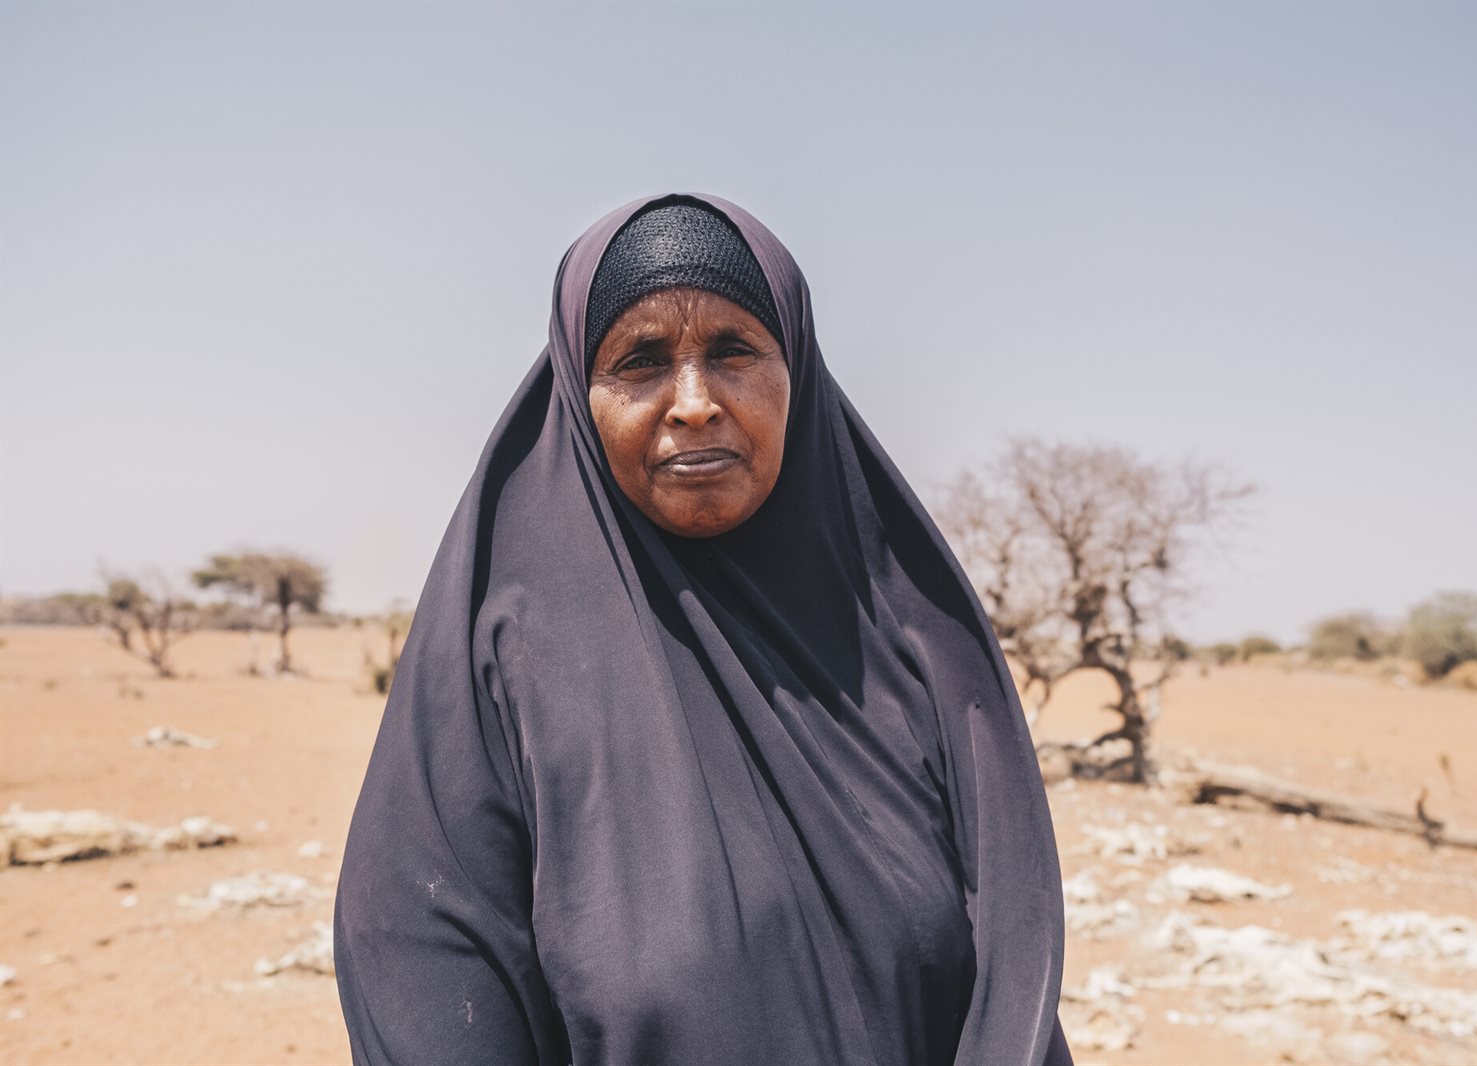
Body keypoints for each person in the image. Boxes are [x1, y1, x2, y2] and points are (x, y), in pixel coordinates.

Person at [333, 194, 1072, 1066]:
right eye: (640, 361)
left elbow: (1010, 985)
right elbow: (424, 971)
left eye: (734, 351)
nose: (694, 403)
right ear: (580, 392)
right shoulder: (505, 665)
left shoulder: (912, 642)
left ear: (795, 366)